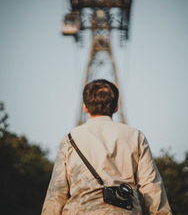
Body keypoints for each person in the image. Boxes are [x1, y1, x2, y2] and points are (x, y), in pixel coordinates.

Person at [41, 79, 172, 215]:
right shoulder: (135, 136)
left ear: (85, 107)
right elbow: (151, 186)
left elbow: (57, 192)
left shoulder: (69, 139)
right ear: (116, 107)